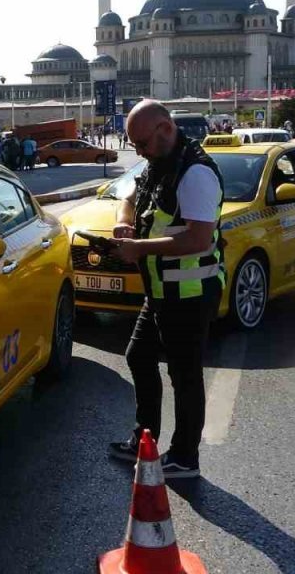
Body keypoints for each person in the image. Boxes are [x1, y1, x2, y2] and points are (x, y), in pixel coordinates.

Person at [105, 101, 224, 478]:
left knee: (185, 375)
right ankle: (146, 438)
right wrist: (125, 224)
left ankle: (185, 457)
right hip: (161, 291)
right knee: (138, 356)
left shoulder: (195, 173)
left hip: (190, 293)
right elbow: (127, 196)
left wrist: (138, 248)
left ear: (166, 128)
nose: (138, 151)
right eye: (134, 144)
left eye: (142, 143)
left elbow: (199, 239)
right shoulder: (160, 163)